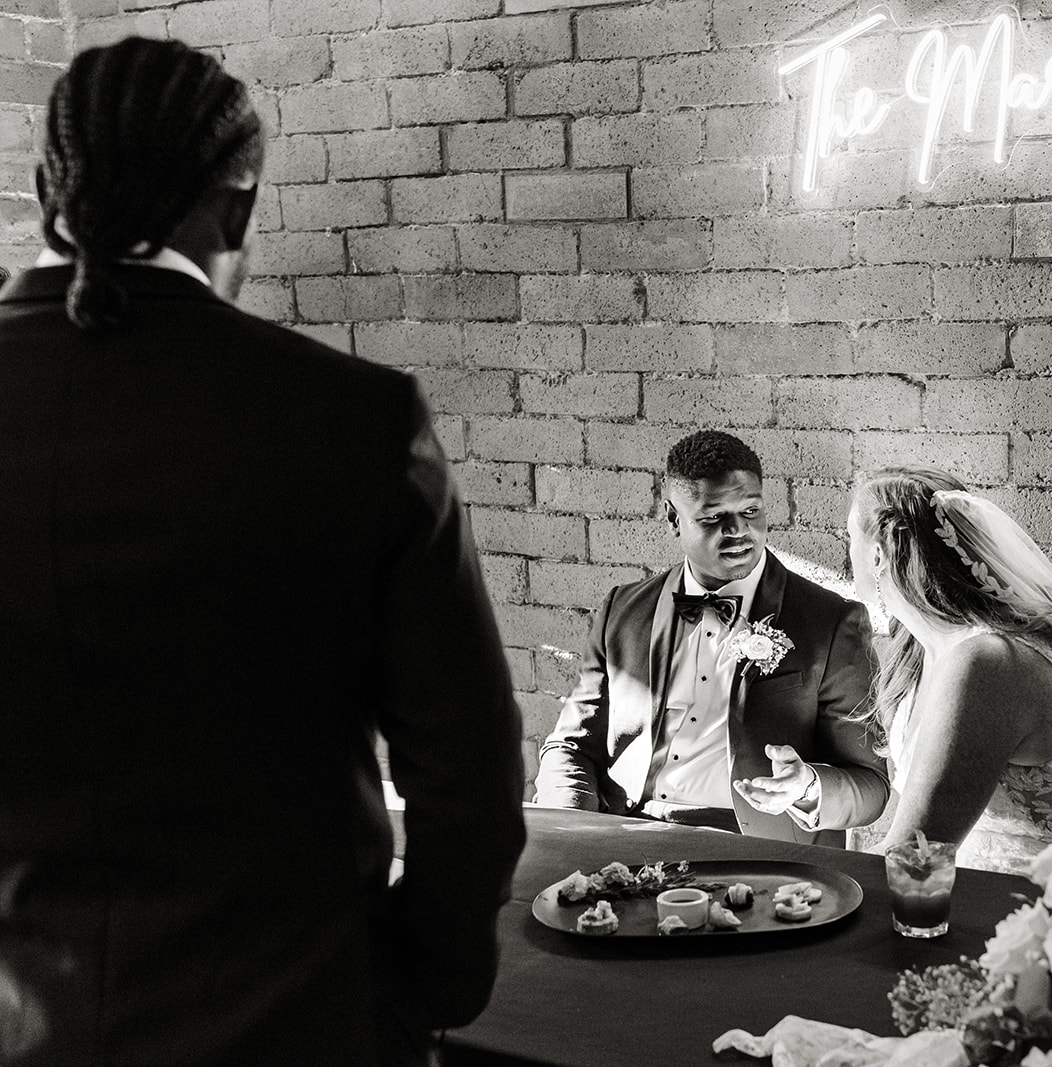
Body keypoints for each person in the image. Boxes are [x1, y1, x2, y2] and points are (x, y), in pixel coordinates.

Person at [0, 39, 525, 1065]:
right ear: (236, 210)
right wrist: (417, 990)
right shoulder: (351, 417)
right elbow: (467, 770)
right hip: (298, 1024)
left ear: (41, 191)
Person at [534, 430, 890, 844]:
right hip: (628, 835)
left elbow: (871, 786)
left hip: (760, 851)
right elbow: (572, 747)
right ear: (673, 518)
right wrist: (570, 832)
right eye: (713, 517)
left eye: (751, 511)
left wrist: (808, 787)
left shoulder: (831, 621)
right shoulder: (623, 610)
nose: (738, 530)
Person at [847, 467, 1052, 874]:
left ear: (877, 554)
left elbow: (912, 857)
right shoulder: (920, 648)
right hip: (952, 892)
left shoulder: (986, 664)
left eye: (850, 539)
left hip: (1028, 909)